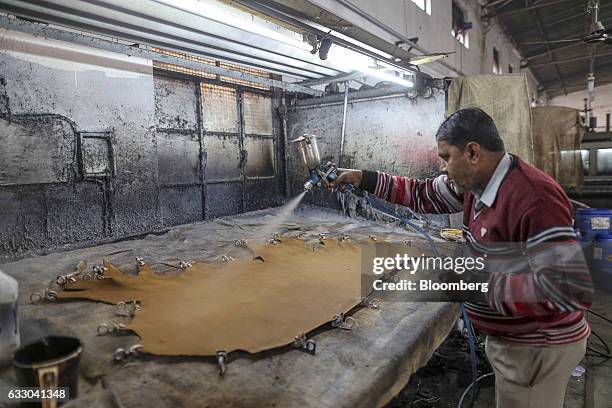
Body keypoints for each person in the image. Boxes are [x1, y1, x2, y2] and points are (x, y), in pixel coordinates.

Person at [331, 107, 593, 408]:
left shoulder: (535, 199)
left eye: (446, 158)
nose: (443, 168)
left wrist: (470, 281)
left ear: (472, 153)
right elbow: (421, 194)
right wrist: (362, 178)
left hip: (539, 347)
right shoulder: (477, 184)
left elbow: (567, 286)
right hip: (515, 339)